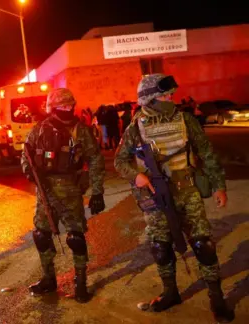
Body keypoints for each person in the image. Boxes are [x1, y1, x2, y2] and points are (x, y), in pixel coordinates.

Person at [114, 74, 235, 323]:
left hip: (188, 191)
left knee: (204, 245)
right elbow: (120, 160)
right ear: (149, 98)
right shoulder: (136, 126)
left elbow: (206, 152)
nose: (171, 98)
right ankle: (170, 292)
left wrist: (218, 186)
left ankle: (217, 299)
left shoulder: (185, 120)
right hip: (157, 196)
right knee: (161, 247)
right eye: (165, 95)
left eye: (171, 94)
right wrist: (136, 176)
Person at [21, 88, 106, 303]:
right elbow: (27, 153)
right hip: (45, 191)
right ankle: (49, 279)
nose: (67, 109)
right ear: (52, 108)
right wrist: (29, 171)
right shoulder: (39, 129)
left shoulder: (81, 130)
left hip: (71, 190)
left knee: (75, 238)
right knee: (41, 235)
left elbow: (95, 159)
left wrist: (97, 191)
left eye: (70, 106)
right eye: (62, 106)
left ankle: (80, 283)